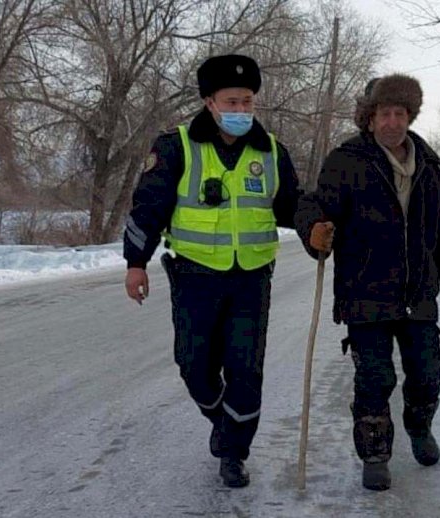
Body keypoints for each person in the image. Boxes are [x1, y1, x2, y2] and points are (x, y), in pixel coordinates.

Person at [295, 74, 440, 491]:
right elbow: (313, 204)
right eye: (384, 113)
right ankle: (375, 453)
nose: (392, 122)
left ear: (410, 116)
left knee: (426, 372)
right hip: (365, 294)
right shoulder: (346, 161)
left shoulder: (430, 167)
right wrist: (313, 229)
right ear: (369, 118)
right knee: (374, 378)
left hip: (417, 293)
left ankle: (420, 428)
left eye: (400, 113)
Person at [123, 54, 301, 488]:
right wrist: (135, 263)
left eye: (247, 102)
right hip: (195, 276)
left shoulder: (272, 151)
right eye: (231, 101)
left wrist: (319, 227)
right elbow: (149, 208)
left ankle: (234, 451)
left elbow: (295, 205)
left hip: (252, 278)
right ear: (209, 102)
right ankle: (222, 418)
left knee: (245, 368)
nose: (241, 110)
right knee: (194, 365)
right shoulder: (176, 146)